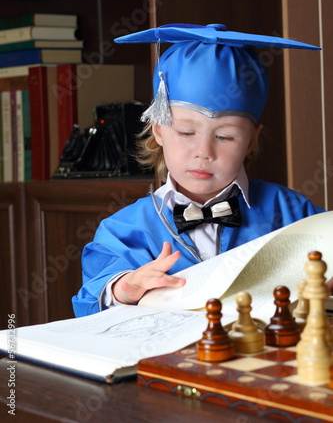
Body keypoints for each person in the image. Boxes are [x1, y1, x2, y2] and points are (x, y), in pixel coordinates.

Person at [72, 23, 328, 318]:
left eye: (225, 137)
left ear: (251, 141)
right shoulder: (125, 230)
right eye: (185, 132)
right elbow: (90, 302)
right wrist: (123, 289)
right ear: (158, 130)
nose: (204, 152)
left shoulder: (290, 213)